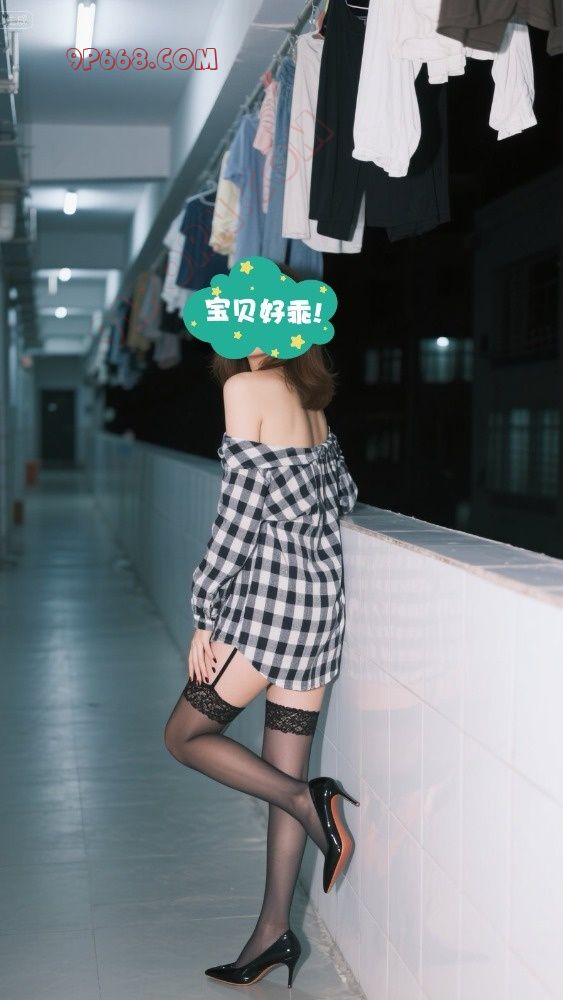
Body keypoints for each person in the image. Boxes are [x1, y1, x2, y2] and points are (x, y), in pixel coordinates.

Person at [164, 305, 360, 988]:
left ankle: (311, 802)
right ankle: (273, 933)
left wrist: (205, 610)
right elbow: (344, 497)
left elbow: (237, 518)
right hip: (319, 607)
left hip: (270, 609)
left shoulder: (247, 389)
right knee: (281, 768)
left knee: (184, 736)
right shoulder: (310, 399)